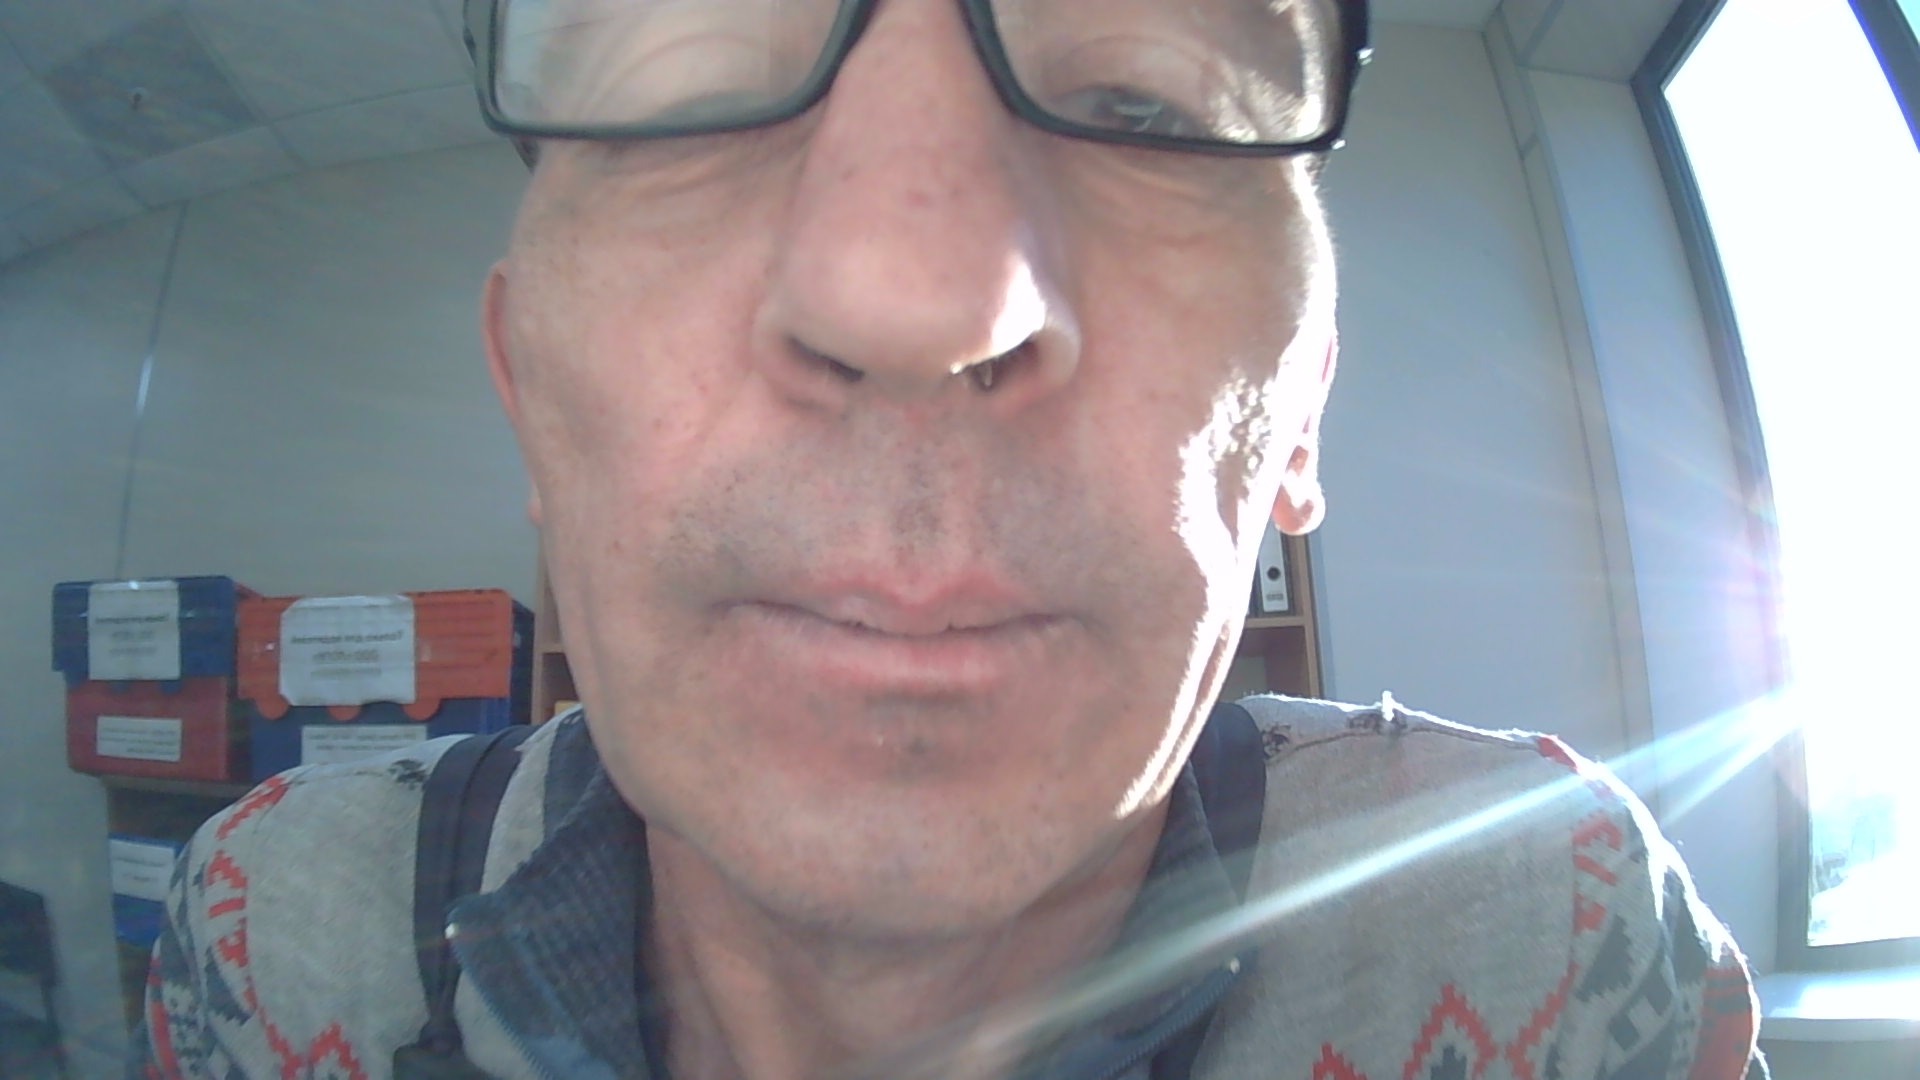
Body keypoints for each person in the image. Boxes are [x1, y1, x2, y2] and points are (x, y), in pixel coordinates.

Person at [134, 1, 1767, 1078]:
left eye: (1142, 99)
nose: (913, 301)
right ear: (529, 395)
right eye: (696, 87)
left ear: (1298, 417)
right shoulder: (276, 941)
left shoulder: (1554, 932)